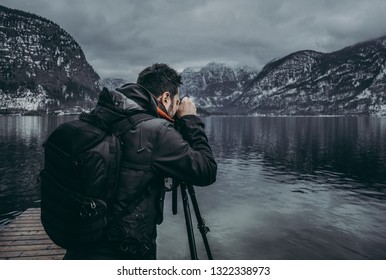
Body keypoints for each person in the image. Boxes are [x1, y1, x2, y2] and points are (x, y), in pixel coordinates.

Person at [63, 63, 217, 259]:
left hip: (83, 242)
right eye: (176, 102)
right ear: (166, 98)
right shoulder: (157, 133)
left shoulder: (103, 115)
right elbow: (207, 170)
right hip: (126, 250)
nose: (177, 108)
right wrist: (189, 120)